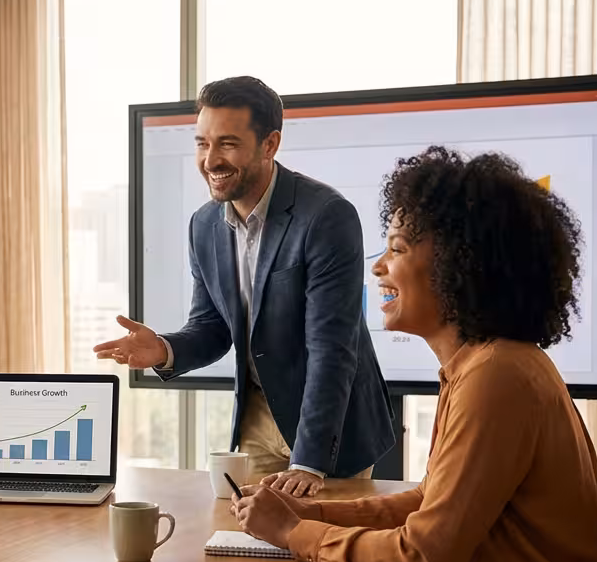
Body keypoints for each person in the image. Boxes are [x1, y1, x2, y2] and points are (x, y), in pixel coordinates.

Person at [211, 146, 597, 562]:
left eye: (398, 250)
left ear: (461, 266)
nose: (378, 267)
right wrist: (308, 511)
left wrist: (292, 533)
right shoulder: (487, 365)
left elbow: (423, 555)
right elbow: (430, 503)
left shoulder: (496, 378)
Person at [94, 76, 393, 495]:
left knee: (320, 548)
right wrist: (163, 349)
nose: (210, 160)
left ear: (269, 144)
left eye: (228, 144)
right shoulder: (203, 225)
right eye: (202, 143)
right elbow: (212, 328)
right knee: (248, 542)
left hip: (331, 424)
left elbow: (332, 347)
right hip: (258, 414)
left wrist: (308, 464)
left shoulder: (325, 215)